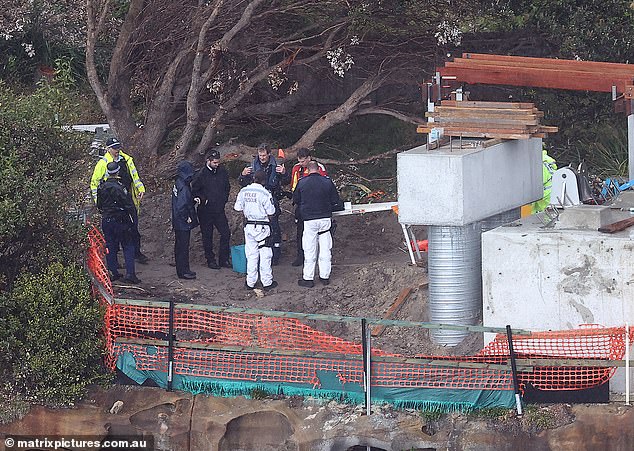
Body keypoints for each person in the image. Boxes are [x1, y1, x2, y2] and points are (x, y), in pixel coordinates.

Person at [90, 137, 148, 264]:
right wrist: (99, 203)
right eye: (114, 148)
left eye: (118, 147)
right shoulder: (103, 164)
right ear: (108, 149)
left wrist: (140, 188)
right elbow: (94, 184)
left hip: (127, 198)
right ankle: (117, 262)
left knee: (133, 228)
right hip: (112, 203)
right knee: (114, 236)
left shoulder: (126, 159)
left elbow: (134, 176)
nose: (117, 150)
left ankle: (135, 253)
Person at [293, 161, 343, 287]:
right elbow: (335, 200)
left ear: (308, 170)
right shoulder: (327, 182)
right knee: (326, 249)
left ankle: (308, 279)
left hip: (309, 220)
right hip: (324, 219)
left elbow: (296, 200)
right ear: (319, 169)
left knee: (309, 250)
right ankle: (324, 277)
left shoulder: (302, 182)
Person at [238, 143, 290, 265]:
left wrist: (284, 173)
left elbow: (286, 181)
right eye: (260, 155)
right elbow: (242, 183)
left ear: (269, 154)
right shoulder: (252, 166)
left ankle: (275, 254)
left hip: (272, 198)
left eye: (264, 155)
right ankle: (258, 255)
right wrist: (243, 174)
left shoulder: (276, 165)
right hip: (255, 202)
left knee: (274, 227)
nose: (262, 157)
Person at [96, 161, 140, 284]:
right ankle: (130, 274)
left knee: (110, 245)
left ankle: (112, 272)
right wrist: (133, 219)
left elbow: (99, 205)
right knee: (128, 245)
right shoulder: (120, 188)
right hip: (121, 220)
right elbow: (129, 205)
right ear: (117, 172)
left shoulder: (102, 187)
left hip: (107, 219)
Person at [234, 170, 278, 291]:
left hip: (248, 226)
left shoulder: (244, 191)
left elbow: (237, 208)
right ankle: (267, 282)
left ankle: (250, 282)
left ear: (253, 178)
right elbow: (271, 212)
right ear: (264, 181)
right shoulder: (264, 193)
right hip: (262, 226)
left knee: (251, 254)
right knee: (265, 254)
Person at [191, 149, 231, 270]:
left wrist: (223, 200)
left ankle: (223, 259)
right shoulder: (201, 174)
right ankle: (210, 259)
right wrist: (203, 199)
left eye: (218, 162)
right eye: (214, 162)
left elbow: (227, 187)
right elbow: (194, 191)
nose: (217, 164)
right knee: (207, 236)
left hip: (219, 209)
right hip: (205, 211)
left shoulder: (222, 172)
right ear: (208, 161)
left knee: (226, 233)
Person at [288, 147, 327, 267]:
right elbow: (293, 186)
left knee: (319, 234)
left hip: (316, 203)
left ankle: (318, 257)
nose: (301, 164)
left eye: (303, 161)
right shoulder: (296, 168)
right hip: (301, 203)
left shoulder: (318, 167)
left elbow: (324, 184)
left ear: (309, 158)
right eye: (299, 161)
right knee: (300, 231)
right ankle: (301, 256)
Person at [172, 160, 199, 280]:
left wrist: (192, 200)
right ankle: (183, 271)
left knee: (179, 246)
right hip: (182, 222)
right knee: (183, 246)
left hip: (177, 220)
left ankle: (182, 269)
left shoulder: (178, 183)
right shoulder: (184, 186)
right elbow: (182, 205)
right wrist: (187, 217)